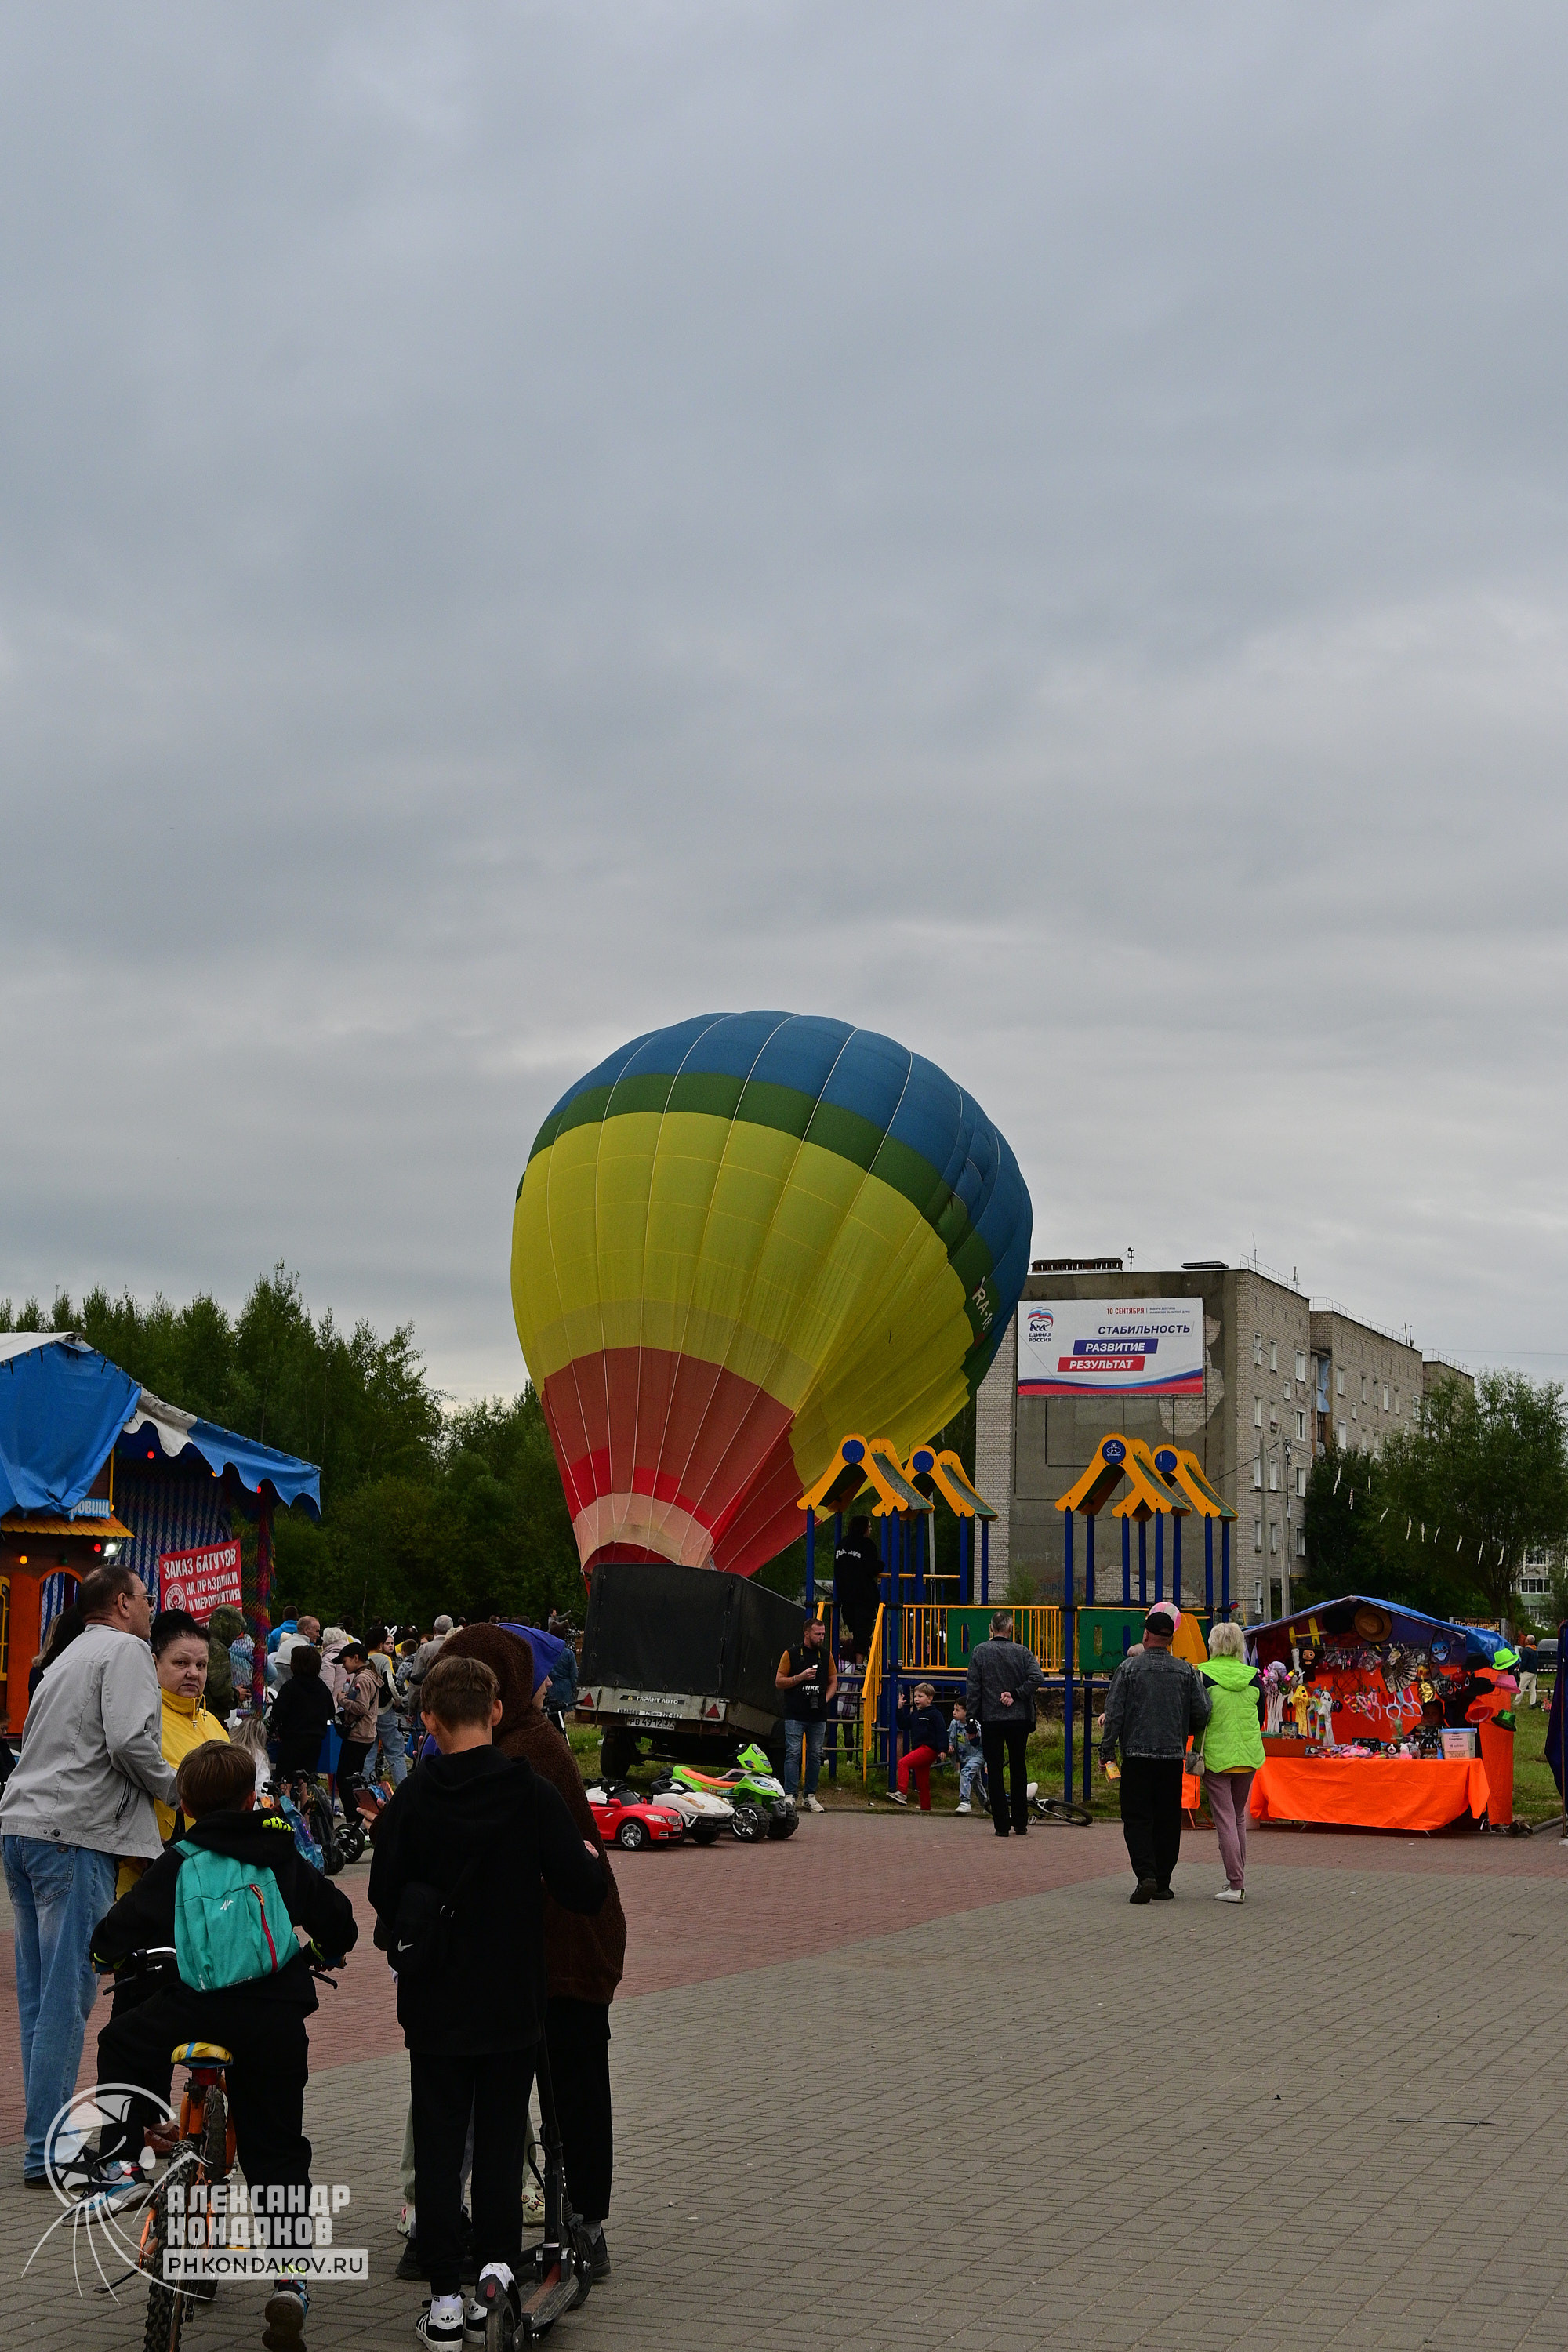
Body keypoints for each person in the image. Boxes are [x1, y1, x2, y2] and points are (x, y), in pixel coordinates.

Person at [368, 1653, 609, 2351]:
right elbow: (582, 1890)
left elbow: (383, 1894)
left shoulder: (413, 1798)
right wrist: (586, 1862)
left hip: (435, 2004)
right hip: (511, 2001)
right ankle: (496, 2282)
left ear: (428, 1719)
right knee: (502, 2143)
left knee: (441, 2146)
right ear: (497, 1710)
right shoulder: (530, 1792)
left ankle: (444, 2300)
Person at [89, 1739, 358, 2350]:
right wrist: (318, 1952)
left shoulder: (179, 1861)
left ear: (184, 1804)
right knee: (278, 2150)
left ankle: (122, 2163)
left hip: (197, 2009)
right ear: (249, 1800)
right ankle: (291, 2279)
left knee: (122, 2040)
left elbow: (117, 1931)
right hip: (273, 2018)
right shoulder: (281, 1854)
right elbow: (339, 1923)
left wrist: (106, 1957)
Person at [446, 1624, 626, 2280]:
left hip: (568, 1950)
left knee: (575, 2091)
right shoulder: (505, 1744)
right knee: (523, 2095)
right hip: (530, 1953)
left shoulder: (529, 1751)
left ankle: (587, 2226)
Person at [0, 1562, 177, 2185]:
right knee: (65, 2000)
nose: (151, 1608)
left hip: (23, 1828)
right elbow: (130, 1742)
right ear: (123, 1603)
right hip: (72, 1834)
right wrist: (177, 1789)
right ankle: (48, 2151)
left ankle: (42, 2143)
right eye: (146, 1598)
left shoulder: (66, 1654)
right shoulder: (125, 1650)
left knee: (39, 1999)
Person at [1101, 1601, 1212, 1904]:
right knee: (1167, 1819)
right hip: (1172, 1757)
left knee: (1137, 1817)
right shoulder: (1186, 1672)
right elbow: (1203, 1711)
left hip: (1136, 1757)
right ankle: (1163, 1882)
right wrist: (1182, 1726)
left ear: (1146, 1636)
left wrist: (1106, 1752)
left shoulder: (1127, 1669)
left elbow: (1114, 1715)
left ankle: (1145, 1875)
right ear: (1171, 1639)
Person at [1196, 1621, 1265, 1903]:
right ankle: (1237, 1879)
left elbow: (1197, 1715)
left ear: (1212, 1644)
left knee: (1224, 1819)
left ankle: (1236, 1885)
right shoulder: (1253, 1676)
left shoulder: (1203, 1675)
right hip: (1248, 1756)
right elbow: (1260, 1716)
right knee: (1237, 1817)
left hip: (1216, 1756)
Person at [966, 1608, 1046, 1837]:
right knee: (1019, 1767)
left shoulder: (980, 1652)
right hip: (1019, 1719)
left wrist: (971, 1720)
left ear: (991, 1628)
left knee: (995, 1770)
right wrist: (1016, 1694)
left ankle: (1001, 1825)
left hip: (991, 1719)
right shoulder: (1022, 1652)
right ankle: (1021, 1822)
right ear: (1011, 1629)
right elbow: (1037, 1677)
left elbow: (974, 1688)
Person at [776, 1615, 837, 1812]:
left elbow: (833, 1681)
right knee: (793, 1752)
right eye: (818, 1634)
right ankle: (790, 1794)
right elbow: (779, 1681)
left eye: (823, 1634)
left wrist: (824, 1699)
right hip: (795, 1713)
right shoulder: (791, 1654)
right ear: (807, 1633)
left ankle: (810, 1795)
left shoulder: (826, 1655)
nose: (821, 1637)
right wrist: (800, 1677)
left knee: (815, 1754)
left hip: (817, 1715)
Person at [269, 1645, 335, 1778]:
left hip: (292, 1740)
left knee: (285, 1778)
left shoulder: (290, 1687)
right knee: (306, 1778)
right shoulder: (322, 1688)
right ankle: (305, 1792)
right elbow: (331, 1712)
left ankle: (285, 1792)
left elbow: (278, 1713)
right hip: (315, 1741)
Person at [333, 1641, 379, 1820]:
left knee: (345, 1778)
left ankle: (354, 1816)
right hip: (366, 1733)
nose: (343, 1666)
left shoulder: (362, 1679)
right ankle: (359, 1813)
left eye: (344, 1661)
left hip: (358, 1735)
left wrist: (341, 1699)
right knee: (354, 1777)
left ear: (356, 1658)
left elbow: (361, 1707)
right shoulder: (369, 1675)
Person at [833, 1516, 882, 1664]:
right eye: (869, 1526)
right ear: (863, 1528)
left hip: (845, 1596)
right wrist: (881, 1565)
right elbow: (872, 1567)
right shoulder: (867, 1544)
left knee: (855, 1630)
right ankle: (860, 1664)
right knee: (863, 1631)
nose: (870, 1529)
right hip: (863, 1596)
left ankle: (856, 1662)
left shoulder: (841, 1545)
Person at [892, 1682, 947, 1811]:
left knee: (903, 1763)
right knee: (922, 1782)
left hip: (929, 1749)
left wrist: (943, 1749)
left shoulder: (935, 1714)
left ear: (929, 1699)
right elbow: (903, 1724)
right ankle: (926, 1808)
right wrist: (899, 1708)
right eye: (915, 1696)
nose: (917, 1699)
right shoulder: (915, 1714)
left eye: (920, 1696)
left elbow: (942, 1731)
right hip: (919, 1750)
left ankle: (902, 1792)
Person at [368, 1626, 412, 1788]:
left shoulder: (364, 1658)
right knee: (395, 1752)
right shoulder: (384, 1659)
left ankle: (369, 1788)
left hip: (368, 1712)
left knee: (370, 1753)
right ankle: (402, 1787)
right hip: (385, 1709)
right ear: (380, 1644)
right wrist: (398, 1701)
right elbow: (390, 1683)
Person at [947, 1699, 988, 1816]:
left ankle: (965, 1801)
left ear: (967, 1712)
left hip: (978, 1755)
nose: (954, 1713)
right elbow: (950, 1736)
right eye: (954, 1710)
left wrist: (986, 1763)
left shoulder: (976, 1725)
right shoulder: (954, 1724)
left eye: (958, 1710)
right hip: (965, 1757)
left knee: (965, 1772)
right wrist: (950, 1745)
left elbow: (985, 1744)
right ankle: (987, 1805)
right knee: (976, 1782)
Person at [544, 1615, 579, 1732]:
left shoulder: (547, 1652)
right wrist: (574, 1690)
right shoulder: (568, 1653)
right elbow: (574, 1675)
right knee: (560, 1718)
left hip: (550, 1689)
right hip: (565, 1689)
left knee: (552, 1718)